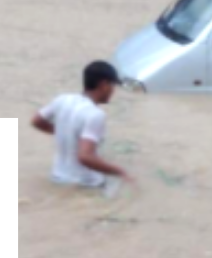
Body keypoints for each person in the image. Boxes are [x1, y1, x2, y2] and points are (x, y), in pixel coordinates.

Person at [31, 61, 134, 189]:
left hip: (57, 178)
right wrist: (119, 172)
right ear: (104, 84)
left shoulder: (62, 100)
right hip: (85, 184)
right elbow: (85, 157)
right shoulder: (95, 114)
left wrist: (63, 131)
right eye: (112, 85)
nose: (113, 91)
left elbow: (36, 121)